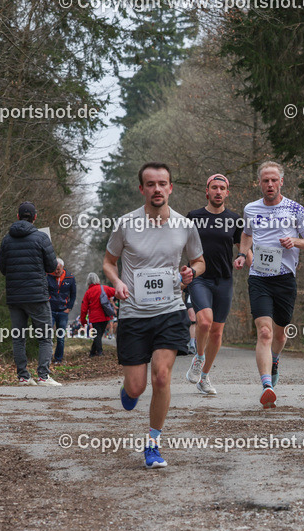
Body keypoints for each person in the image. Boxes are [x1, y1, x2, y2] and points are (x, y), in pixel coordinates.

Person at [103, 162, 205, 469]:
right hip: (134, 314)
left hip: (171, 309)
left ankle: (153, 443)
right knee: (137, 387)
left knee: (161, 375)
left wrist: (190, 272)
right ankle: (128, 389)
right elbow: (109, 261)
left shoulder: (184, 225)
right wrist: (117, 282)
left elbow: (199, 261)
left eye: (163, 183)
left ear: (170, 188)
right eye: (151, 184)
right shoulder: (125, 224)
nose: (157, 189)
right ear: (142, 189)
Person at [239, 161, 304, 408]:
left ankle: (274, 360)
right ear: (259, 183)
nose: (270, 184)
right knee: (264, 331)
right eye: (265, 180)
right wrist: (243, 254)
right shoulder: (250, 209)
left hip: (285, 278)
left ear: (281, 181)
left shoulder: (295, 208)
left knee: (280, 334)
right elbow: (246, 234)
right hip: (259, 277)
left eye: (274, 180)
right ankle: (266, 385)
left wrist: (294, 241)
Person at [185, 174, 244, 395]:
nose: (218, 191)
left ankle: (204, 376)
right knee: (204, 321)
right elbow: (179, 242)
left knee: (217, 332)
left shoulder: (234, 219)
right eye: (214, 187)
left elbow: (243, 244)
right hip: (199, 277)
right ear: (207, 191)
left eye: (222, 188)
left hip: (224, 279)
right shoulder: (194, 216)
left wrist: (243, 255)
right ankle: (199, 358)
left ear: (227, 193)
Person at [0, 201, 60, 386]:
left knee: (18, 337)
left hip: (15, 296)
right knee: (45, 336)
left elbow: (3, 268)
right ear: (35, 217)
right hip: (37, 296)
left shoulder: (6, 240)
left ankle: (23, 377)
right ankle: (43, 376)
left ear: (17, 217)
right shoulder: (41, 238)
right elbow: (52, 266)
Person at [79, 272, 116, 357]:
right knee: (98, 334)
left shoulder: (88, 293)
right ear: (97, 280)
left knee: (97, 335)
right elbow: (115, 292)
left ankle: (99, 352)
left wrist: (83, 321)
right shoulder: (104, 288)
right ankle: (92, 352)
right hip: (105, 316)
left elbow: (83, 308)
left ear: (88, 281)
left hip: (95, 318)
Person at [47, 258, 77, 365]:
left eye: (58, 270)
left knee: (60, 337)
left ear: (63, 268)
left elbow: (73, 295)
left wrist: (69, 308)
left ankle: (58, 359)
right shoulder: (48, 276)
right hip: (50, 310)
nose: (56, 272)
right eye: (55, 269)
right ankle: (48, 358)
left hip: (63, 311)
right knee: (48, 334)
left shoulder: (70, 278)